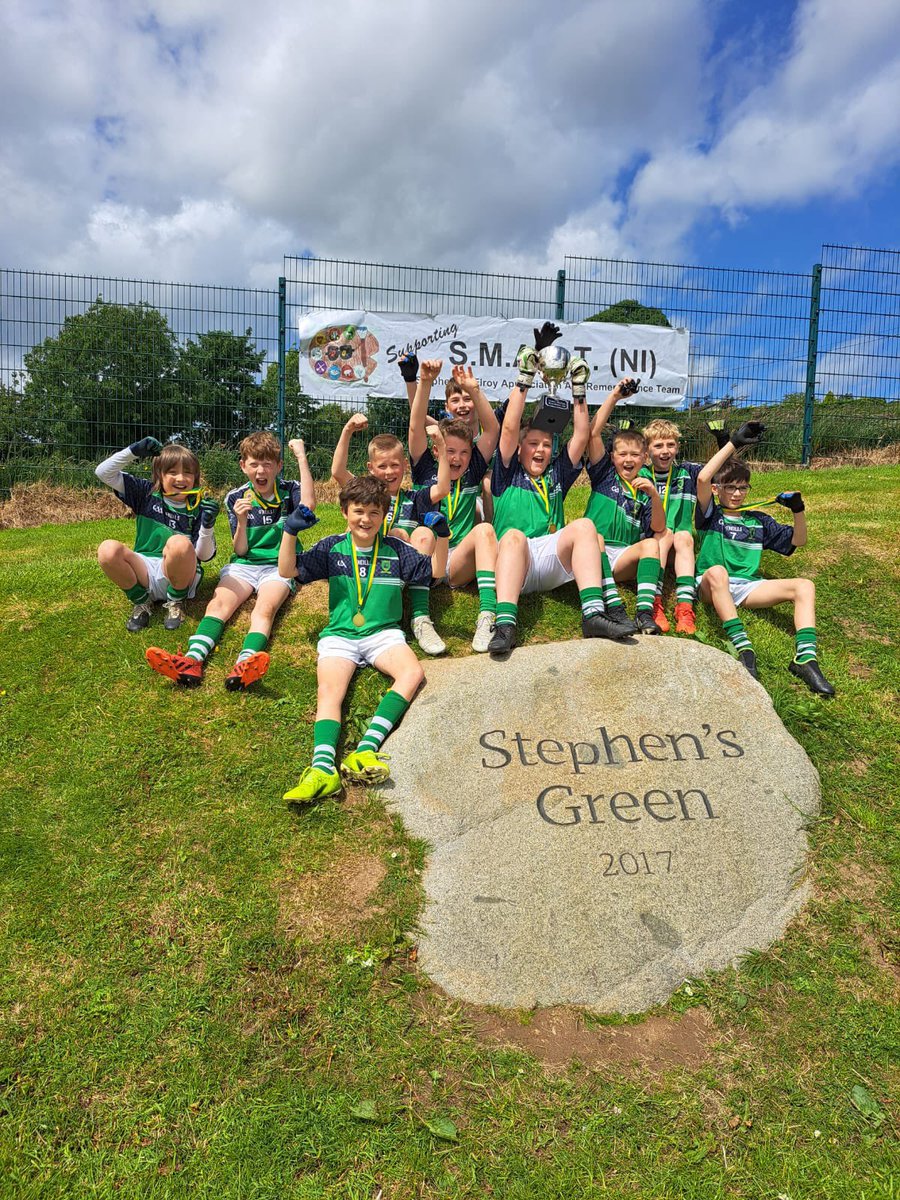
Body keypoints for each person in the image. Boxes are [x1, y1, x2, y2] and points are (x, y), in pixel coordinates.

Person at [486, 323, 638, 658]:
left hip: (550, 558)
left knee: (584, 526)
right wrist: (524, 379)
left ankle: (593, 615)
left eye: (545, 444)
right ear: (519, 449)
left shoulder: (556, 473)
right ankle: (505, 624)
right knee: (511, 535)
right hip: (516, 561)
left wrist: (579, 389)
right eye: (532, 444)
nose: (539, 450)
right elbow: (509, 427)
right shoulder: (506, 470)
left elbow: (582, 437)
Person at [278, 475, 431, 801]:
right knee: (330, 692)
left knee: (412, 673)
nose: (366, 519)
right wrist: (289, 532)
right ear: (345, 512)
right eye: (359, 511)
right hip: (340, 637)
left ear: (385, 516)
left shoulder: (397, 550)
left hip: (383, 634)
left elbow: (437, 571)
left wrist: (441, 537)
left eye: (374, 513)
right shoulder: (332, 548)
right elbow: (286, 571)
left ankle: (365, 749)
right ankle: (322, 770)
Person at [144, 433, 317, 690]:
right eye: (254, 464)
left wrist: (301, 456)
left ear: (278, 467)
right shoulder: (236, 497)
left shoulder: (289, 490)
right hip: (244, 565)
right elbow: (240, 549)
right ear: (243, 466)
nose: (261, 470)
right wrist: (243, 521)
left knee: (264, 610)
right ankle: (191, 661)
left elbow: (309, 506)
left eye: (268, 464)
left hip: (279, 567)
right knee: (218, 605)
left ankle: (244, 664)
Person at [695, 421, 835, 694]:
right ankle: (743, 648)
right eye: (729, 487)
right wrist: (733, 442)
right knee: (717, 572)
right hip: (711, 585)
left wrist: (798, 510)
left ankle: (805, 659)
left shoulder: (758, 520)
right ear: (716, 489)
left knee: (804, 585)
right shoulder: (710, 515)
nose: (736, 493)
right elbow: (702, 478)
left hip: (748, 588)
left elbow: (799, 541)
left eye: (742, 488)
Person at [331, 411, 450, 655]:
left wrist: (441, 445)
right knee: (373, 530)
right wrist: (347, 431)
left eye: (395, 465)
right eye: (382, 466)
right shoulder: (364, 492)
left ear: (405, 466)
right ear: (370, 468)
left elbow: (444, 487)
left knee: (425, 534)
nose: (389, 471)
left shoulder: (414, 498)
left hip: (402, 571)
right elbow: (338, 472)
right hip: (368, 569)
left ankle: (420, 618)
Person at [408, 361, 501, 651]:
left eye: (463, 452)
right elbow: (415, 425)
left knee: (485, 529)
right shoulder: (424, 467)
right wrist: (424, 381)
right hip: (430, 557)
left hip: (459, 559)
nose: (457, 458)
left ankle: (488, 615)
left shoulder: (473, 467)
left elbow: (493, 430)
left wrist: (473, 389)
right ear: (436, 450)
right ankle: (421, 618)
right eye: (450, 452)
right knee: (423, 533)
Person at [95, 437, 217, 632]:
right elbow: (103, 473)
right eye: (172, 472)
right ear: (159, 475)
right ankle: (141, 602)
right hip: (144, 570)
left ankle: (176, 602)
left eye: (188, 473)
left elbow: (205, 556)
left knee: (178, 543)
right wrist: (133, 451)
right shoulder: (146, 493)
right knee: (107, 549)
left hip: (179, 574)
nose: (180, 478)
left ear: (196, 477)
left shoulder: (198, 506)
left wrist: (208, 526)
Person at [584, 382, 668, 634]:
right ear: (612, 457)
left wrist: (654, 495)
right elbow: (593, 433)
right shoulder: (604, 474)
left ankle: (644, 613)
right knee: (594, 535)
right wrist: (615, 396)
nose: (628, 459)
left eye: (634, 454)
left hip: (621, 558)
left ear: (644, 458)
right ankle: (613, 605)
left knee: (652, 543)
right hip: (591, 554)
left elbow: (658, 527)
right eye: (622, 454)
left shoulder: (646, 486)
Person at [638, 419, 703, 634]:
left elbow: (720, 470)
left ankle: (685, 608)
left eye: (670, 445)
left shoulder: (688, 473)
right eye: (658, 446)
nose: (665, 451)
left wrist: (728, 442)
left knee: (683, 536)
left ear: (678, 447)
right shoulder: (641, 475)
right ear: (647, 450)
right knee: (663, 534)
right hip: (653, 543)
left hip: (682, 543)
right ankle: (655, 603)